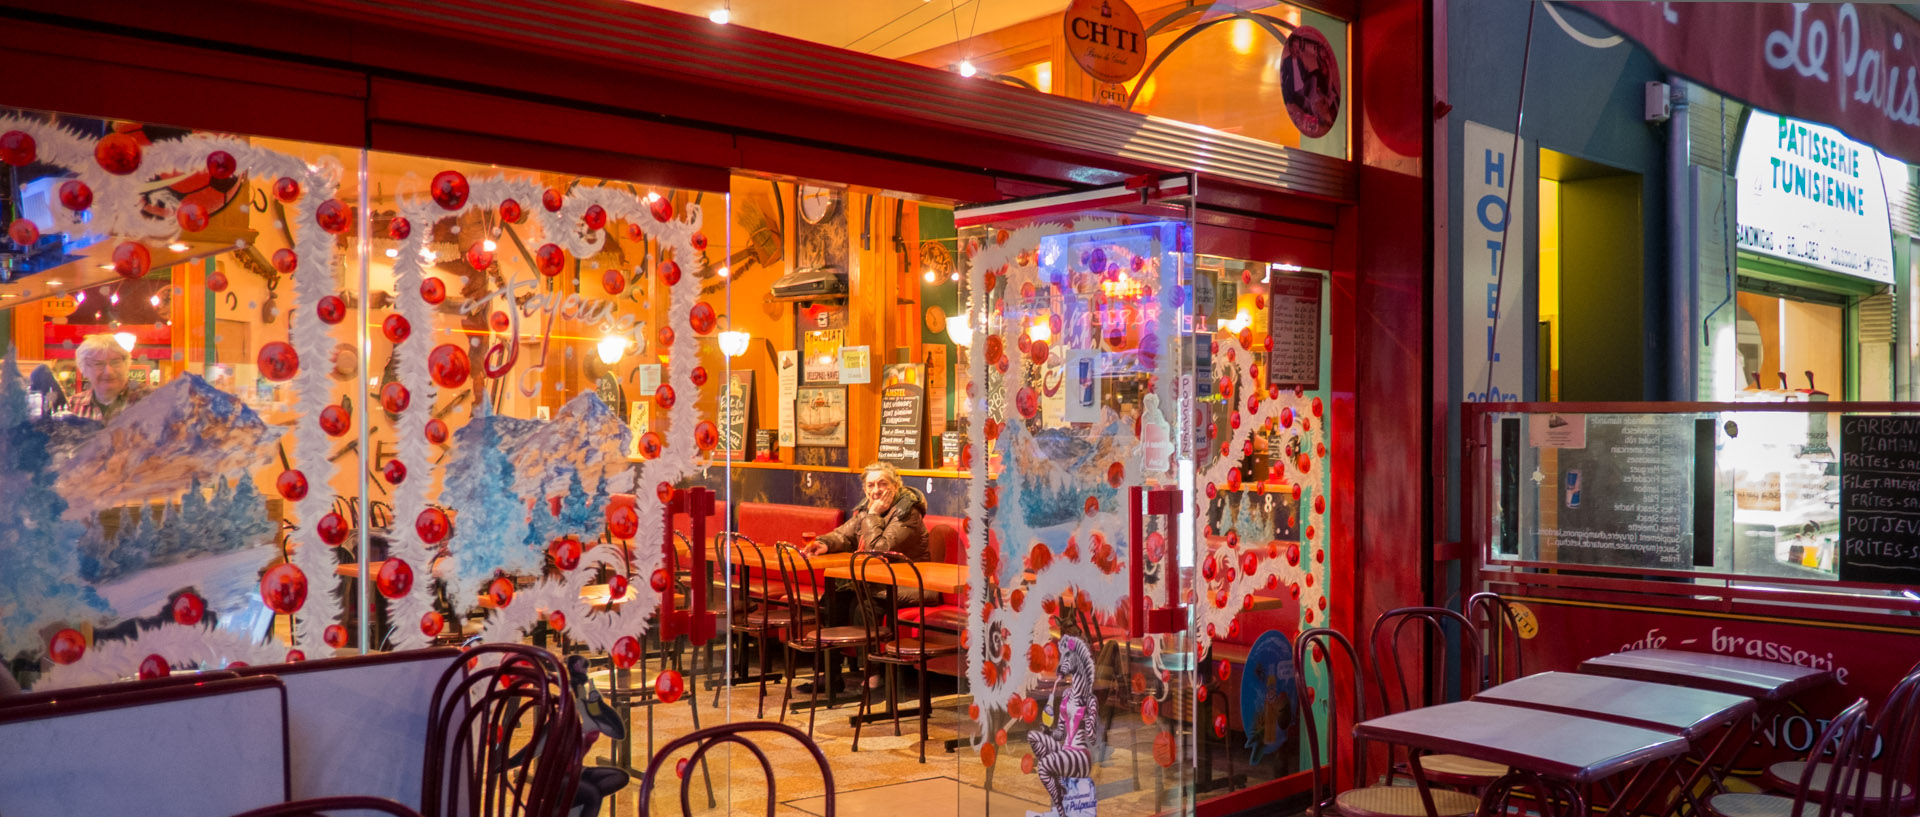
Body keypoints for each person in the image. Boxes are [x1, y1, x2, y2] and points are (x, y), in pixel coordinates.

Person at [796, 462, 930, 693]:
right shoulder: (868, 510)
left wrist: (872, 515)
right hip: (877, 582)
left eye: (882, 484)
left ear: (896, 486)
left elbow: (879, 547)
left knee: (863, 606)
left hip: (908, 583)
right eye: (871, 485)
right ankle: (830, 675)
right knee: (831, 600)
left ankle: (872, 671)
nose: (876, 490)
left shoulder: (908, 512)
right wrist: (824, 544)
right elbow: (843, 535)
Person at [72, 333, 149, 421]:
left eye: (115, 362)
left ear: (127, 364)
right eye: (98, 364)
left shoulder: (153, 402)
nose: (108, 372)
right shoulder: (71, 407)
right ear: (84, 370)